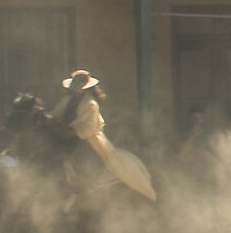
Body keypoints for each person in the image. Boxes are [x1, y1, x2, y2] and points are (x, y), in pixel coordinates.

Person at [56, 71, 157, 200]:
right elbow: (57, 113)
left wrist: (72, 132)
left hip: (88, 139)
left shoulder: (90, 104)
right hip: (67, 137)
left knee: (91, 155)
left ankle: (88, 183)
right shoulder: (66, 101)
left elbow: (88, 129)